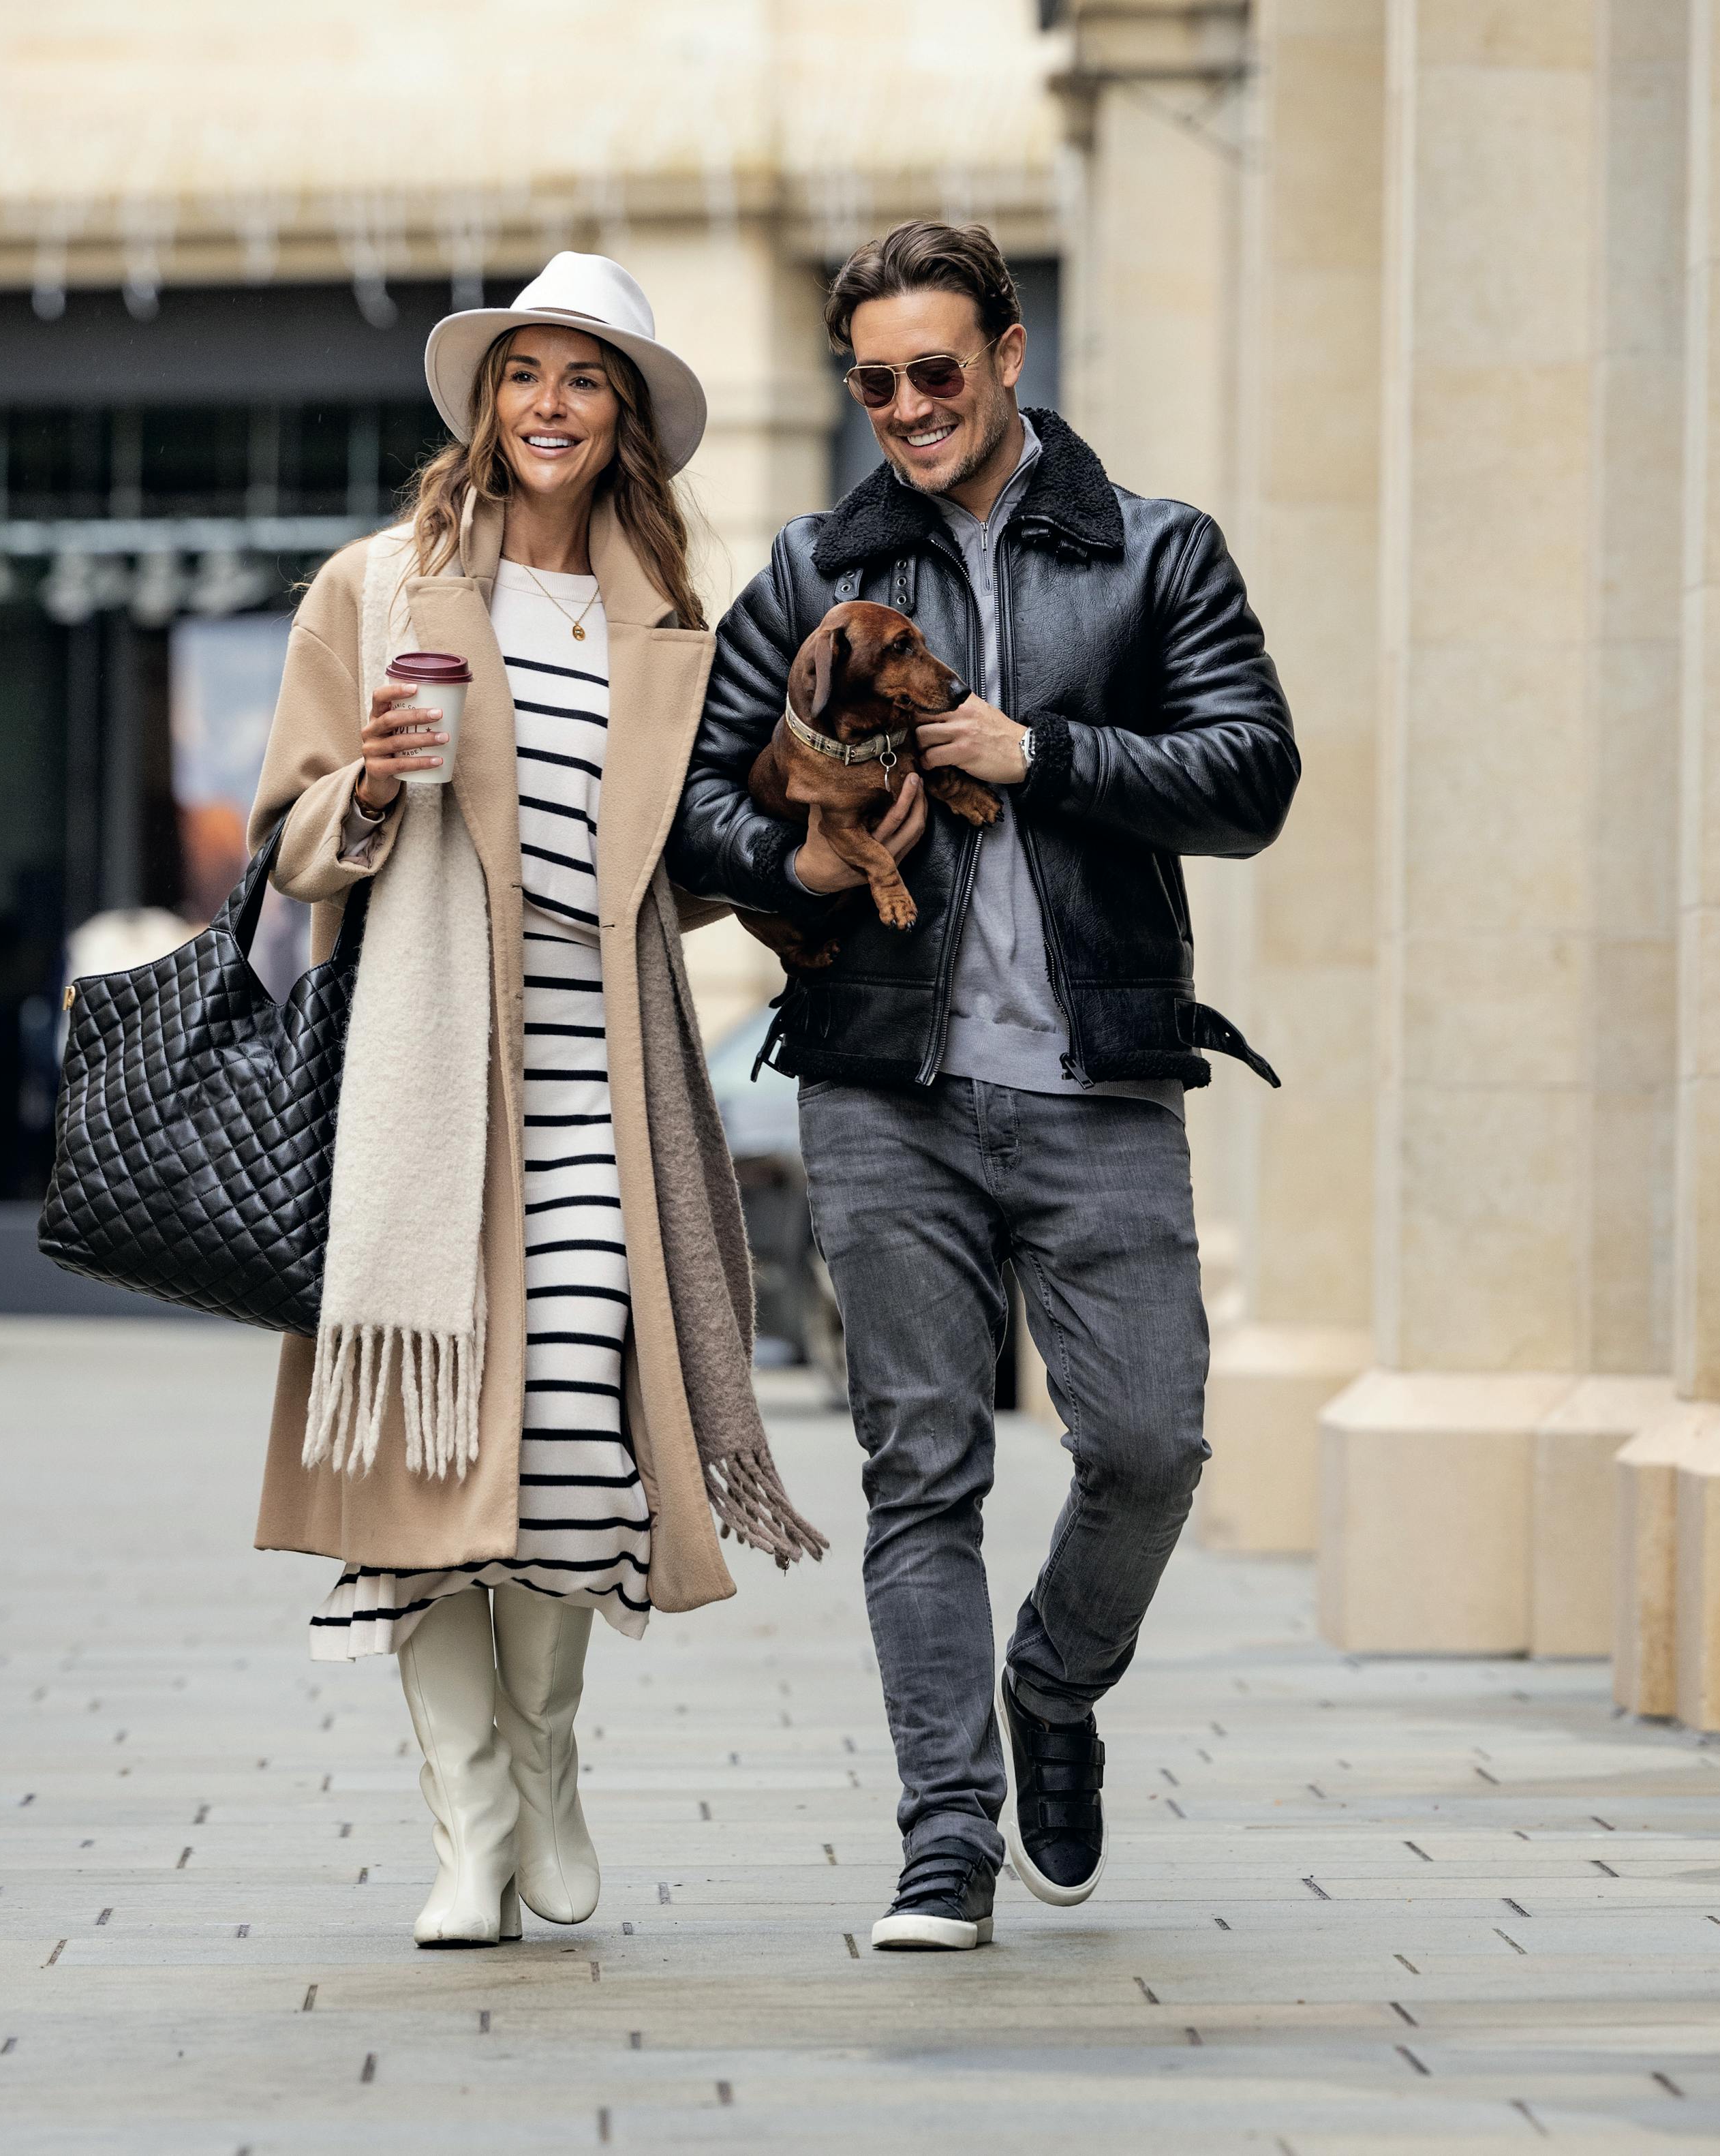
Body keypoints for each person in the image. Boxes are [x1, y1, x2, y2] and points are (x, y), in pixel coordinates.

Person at [668, 222, 1299, 1952]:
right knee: (921, 1470)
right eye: (873, 382)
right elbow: (695, 809)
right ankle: (944, 1835)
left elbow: (1252, 775)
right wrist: (800, 863)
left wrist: (1047, 753)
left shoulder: (1156, 550)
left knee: (1150, 1443)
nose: (907, 408)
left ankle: (1055, 1682)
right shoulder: (813, 570)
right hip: (883, 1087)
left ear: (1011, 355)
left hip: (1099, 1083)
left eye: (935, 371)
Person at [248, 253, 823, 1949]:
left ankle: (547, 1751)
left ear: (623, 416)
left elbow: (683, 858)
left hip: (602, 1075)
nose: (550, 404)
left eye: (585, 379)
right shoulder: (378, 587)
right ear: (488, 401)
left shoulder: (666, 619)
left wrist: (800, 852)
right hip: (422, 1079)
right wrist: (368, 789)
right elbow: (287, 835)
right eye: (526, 373)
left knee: (573, 1442)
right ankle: (473, 1822)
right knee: (425, 1466)